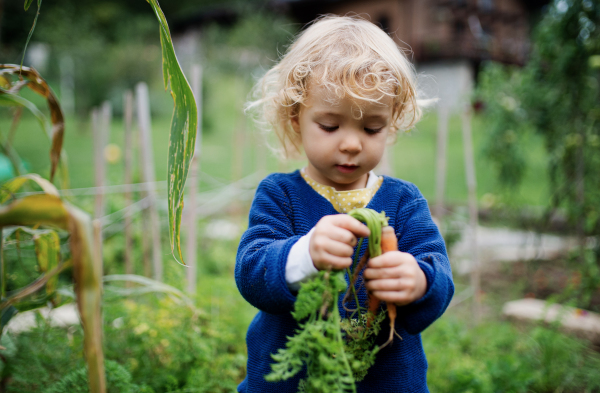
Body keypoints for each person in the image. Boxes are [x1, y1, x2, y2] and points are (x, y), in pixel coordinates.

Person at [235, 15, 454, 392]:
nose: (352, 143)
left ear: (392, 122)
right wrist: (304, 255)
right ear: (296, 117)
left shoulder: (404, 202)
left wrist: (419, 280)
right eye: (331, 126)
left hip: (384, 379)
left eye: (372, 128)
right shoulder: (279, 195)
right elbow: (251, 272)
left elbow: (440, 277)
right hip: (292, 380)